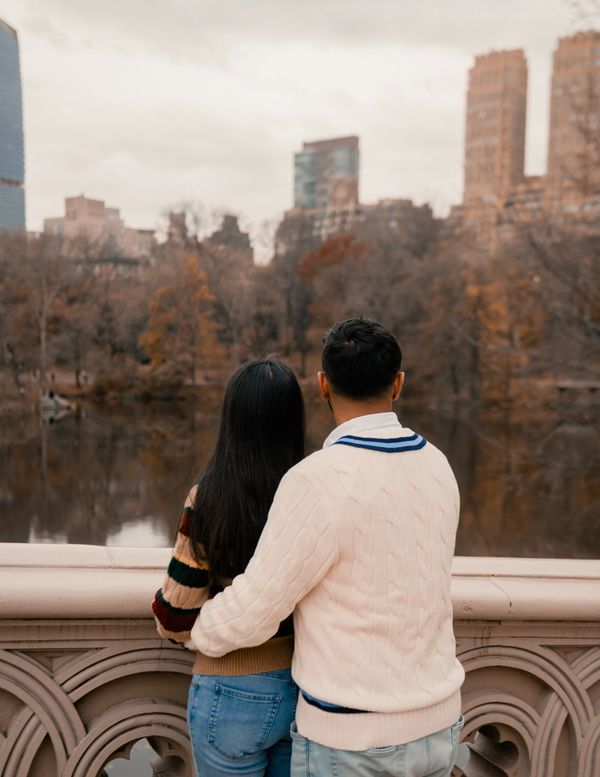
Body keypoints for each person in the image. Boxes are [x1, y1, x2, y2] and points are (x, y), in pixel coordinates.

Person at [189, 318, 465, 777]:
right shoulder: (438, 465)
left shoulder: (317, 481)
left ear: (322, 385)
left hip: (353, 741)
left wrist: (200, 629)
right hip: (439, 728)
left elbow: (256, 609)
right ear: (398, 385)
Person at [152, 358, 305, 777]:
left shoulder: (211, 497)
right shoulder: (313, 492)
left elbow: (176, 616)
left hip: (231, 694)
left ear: (231, 419)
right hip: (309, 691)